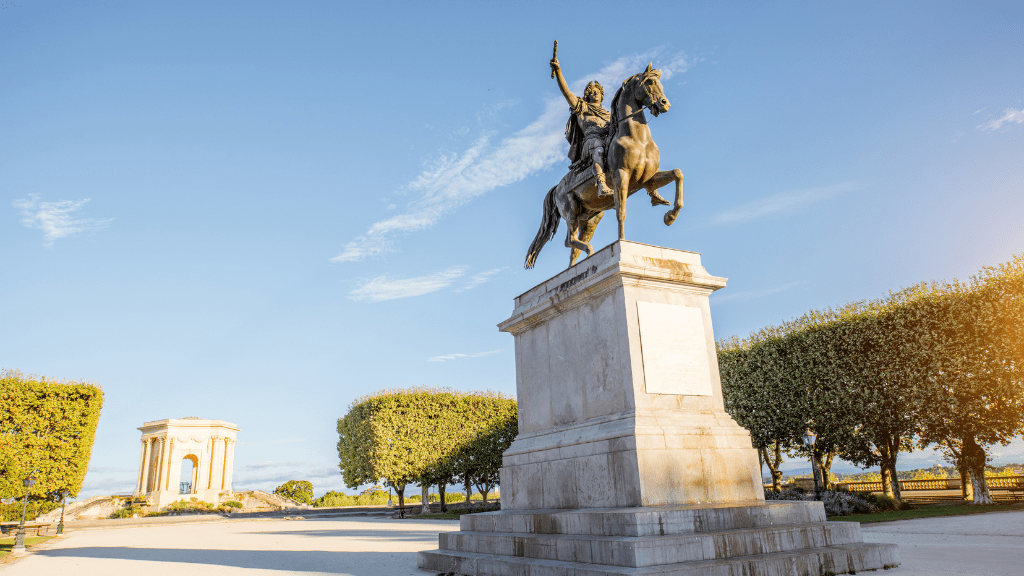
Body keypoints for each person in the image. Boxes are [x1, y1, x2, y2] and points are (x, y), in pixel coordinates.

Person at [550, 55, 614, 199]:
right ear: (587, 95)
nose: (594, 93)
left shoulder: (609, 114)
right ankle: (602, 184)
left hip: (607, 139)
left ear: (602, 95)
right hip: (590, 142)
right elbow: (567, 93)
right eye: (591, 91)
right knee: (598, 148)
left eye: (597, 91)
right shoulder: (582, 107)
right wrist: (559, 71)